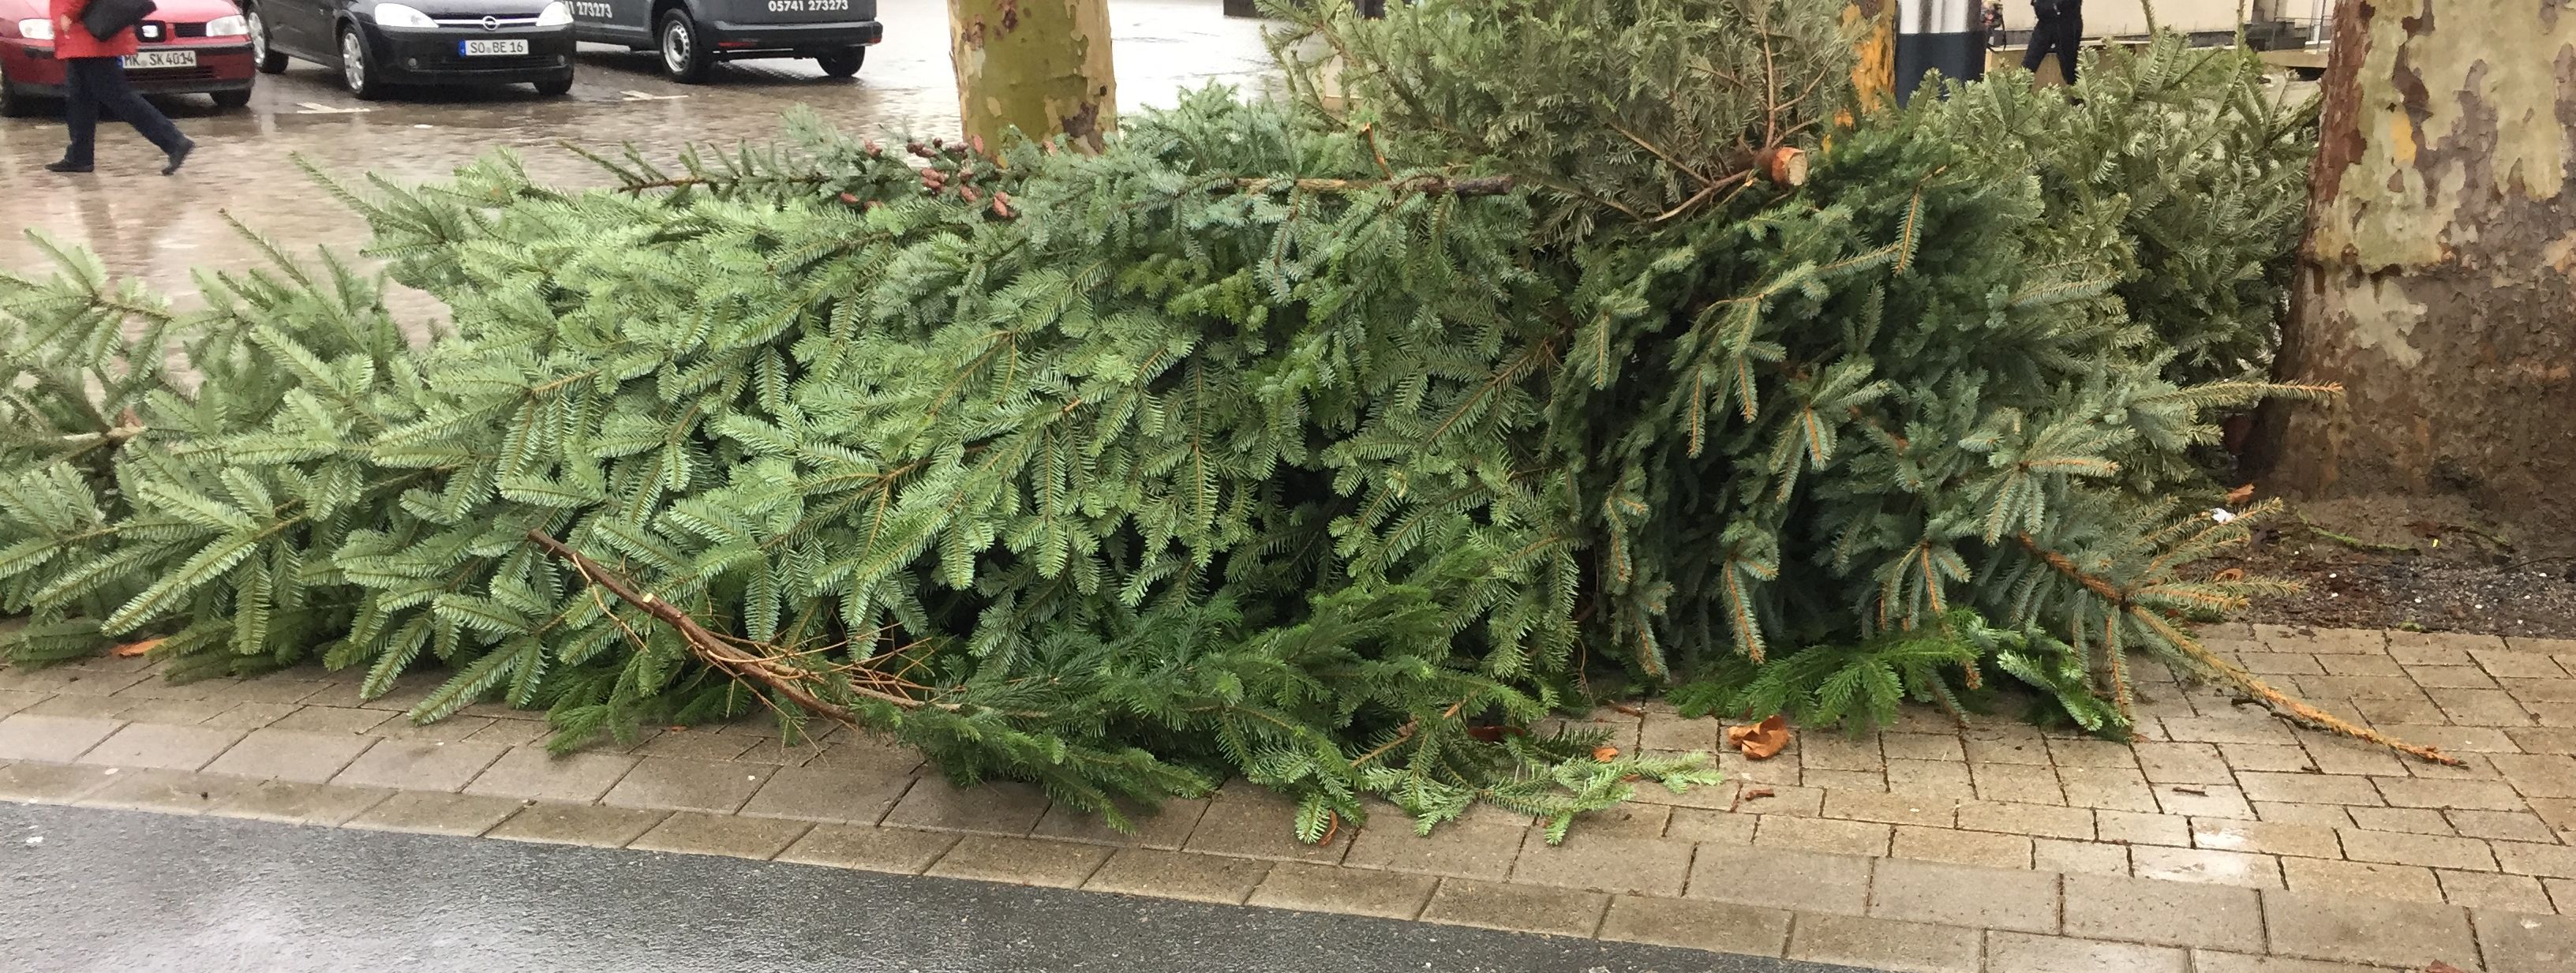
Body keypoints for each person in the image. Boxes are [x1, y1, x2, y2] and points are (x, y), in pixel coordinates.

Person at [43, 0, 195, 175]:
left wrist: (69, 13)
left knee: (117, 96)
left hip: (89, 34)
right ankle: (79, 156)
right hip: (83, 35)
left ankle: (174, 142)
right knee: (79, 98)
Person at [2022, 0, 2082, 88]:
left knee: (2070, 70)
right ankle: (2018, 96)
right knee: (2028, 65)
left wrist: (2056, 7)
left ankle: (2078, 99)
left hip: (2067, 22)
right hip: (2044, 22)